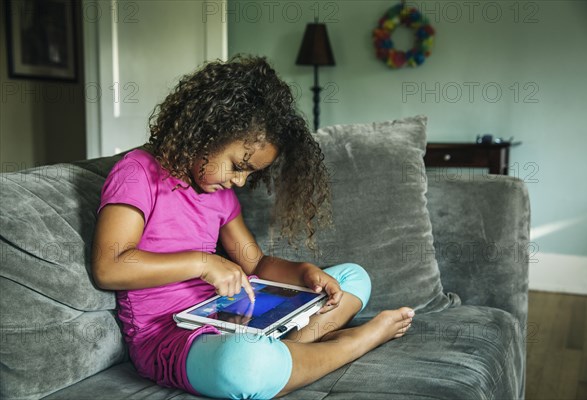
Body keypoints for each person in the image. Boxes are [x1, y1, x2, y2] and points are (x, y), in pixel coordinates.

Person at [91, 55, 414, 399]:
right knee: (245, 365)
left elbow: (255, 265)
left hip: (234, 314)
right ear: (207, 131)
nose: (241, 182)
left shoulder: (220, 195)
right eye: (238, 165)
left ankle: (287, 349)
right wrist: (203, 263)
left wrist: (304, 272)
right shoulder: (137, 173)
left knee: (353, 277)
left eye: (251, 172)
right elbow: (109, 266)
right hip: (171, 338)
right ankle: (354, 342)